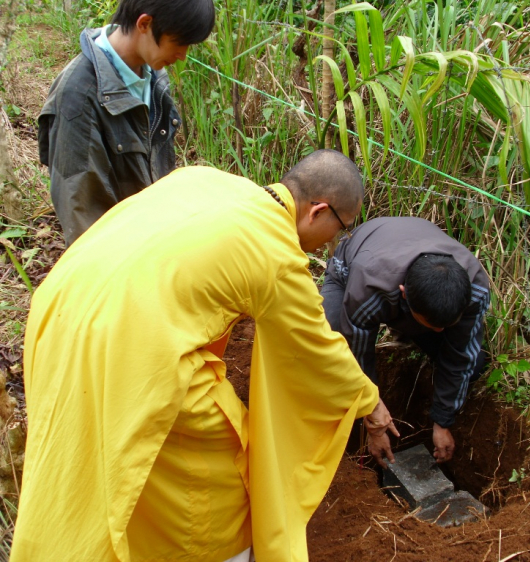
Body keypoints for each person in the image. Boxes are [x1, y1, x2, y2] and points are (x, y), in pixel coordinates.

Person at [11, 150, 397, 562]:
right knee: (224, 476)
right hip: (129, 346)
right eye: (339, 229)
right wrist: (370, 406)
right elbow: (317, 349)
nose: (334, 242)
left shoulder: (203, 178)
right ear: (317, 211)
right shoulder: (276, 254)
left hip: (58, 313)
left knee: (89, 458)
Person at [38, 0, 215, 247]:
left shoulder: (153, 79)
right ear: (145, 23)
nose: (182, 56)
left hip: (151, 244)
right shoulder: (78, 98)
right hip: (120, 261)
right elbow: (83, 221)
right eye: (179, 43)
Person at [321, 216, 490, 465]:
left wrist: (443, 422)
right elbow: (357, 354)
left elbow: (461, 356)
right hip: (353, 268)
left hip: (407, 264)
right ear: (404, 294)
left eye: (446, 325)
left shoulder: (475, 289)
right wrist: (372, 417)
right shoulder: (368, 287)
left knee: (474, 366)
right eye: (432, 325)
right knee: (331, 340)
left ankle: (414, 329)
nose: (441, 330)